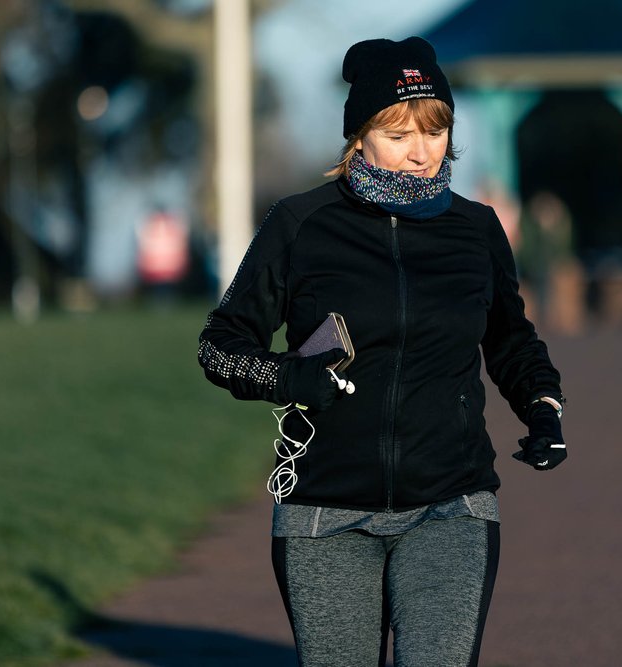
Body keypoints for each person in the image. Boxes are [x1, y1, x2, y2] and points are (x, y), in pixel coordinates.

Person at [198, 36, 567, 667]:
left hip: (451, 505)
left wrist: (542, 404)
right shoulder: (300, 224)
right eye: (399, 135)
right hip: (325, 513)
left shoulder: (477, 230)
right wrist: (290, 378)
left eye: (437, 130)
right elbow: (220, 346)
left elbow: (509, 336)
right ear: (359, 138)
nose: (422, 153)